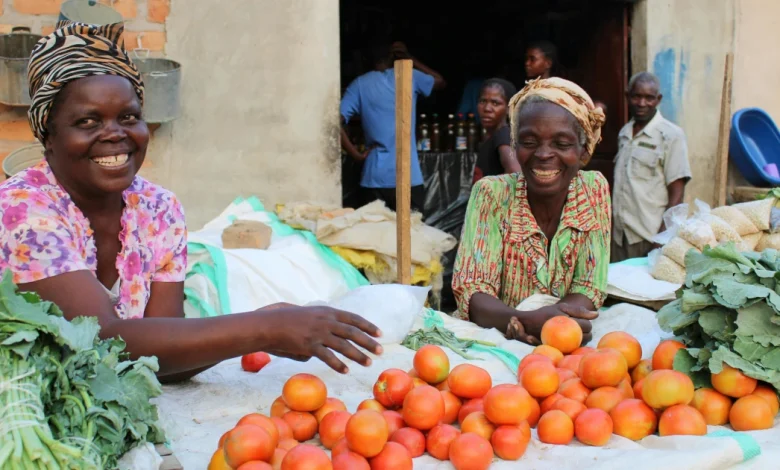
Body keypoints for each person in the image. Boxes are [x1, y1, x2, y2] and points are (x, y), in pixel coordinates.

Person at [0, 21, 383, 384]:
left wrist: (265, 324)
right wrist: (265, 328)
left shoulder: (158, 209)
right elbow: (104, 342)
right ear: (47, 134)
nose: (115, 134)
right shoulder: (23, 208)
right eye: (88, 122)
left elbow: (163, 361)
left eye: (129, 117)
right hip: (27, 424)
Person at [451, 77, 610, 346]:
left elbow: (589, 284)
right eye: (529, 141)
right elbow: (473, 290)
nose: (544, 154)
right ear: (515, 146)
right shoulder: (492, 194)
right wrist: (522, 320)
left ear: (583, 151)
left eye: (561, 144)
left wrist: (556, 324)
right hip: (492, 342)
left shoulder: (594, 189)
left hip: (564, 345)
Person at [340, 41, 446, 214]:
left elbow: (334, 122)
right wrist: (410, 58)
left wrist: (356, 154)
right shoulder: (409, 76)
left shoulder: (359, 85)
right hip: (408, 176)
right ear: (392, 57)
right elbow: (440, 82)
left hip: (374, 178)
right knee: (413, 235)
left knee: (376, 235)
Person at [611, 72, 691, 262]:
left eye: (649, 98)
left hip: (648, 237)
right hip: (620, 237)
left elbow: (677, 196)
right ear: (627, 96)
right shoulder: (624, 133)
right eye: (636, 96)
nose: (641, 103)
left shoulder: (671, 135)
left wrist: (661, 240)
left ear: (658, 100)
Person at [473, 78, 519, 182]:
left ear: (509, 109)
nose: (487, 108)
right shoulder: (493, 136)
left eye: (495, 103)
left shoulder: (503, 136)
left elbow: (515, 174)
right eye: (483, 101)